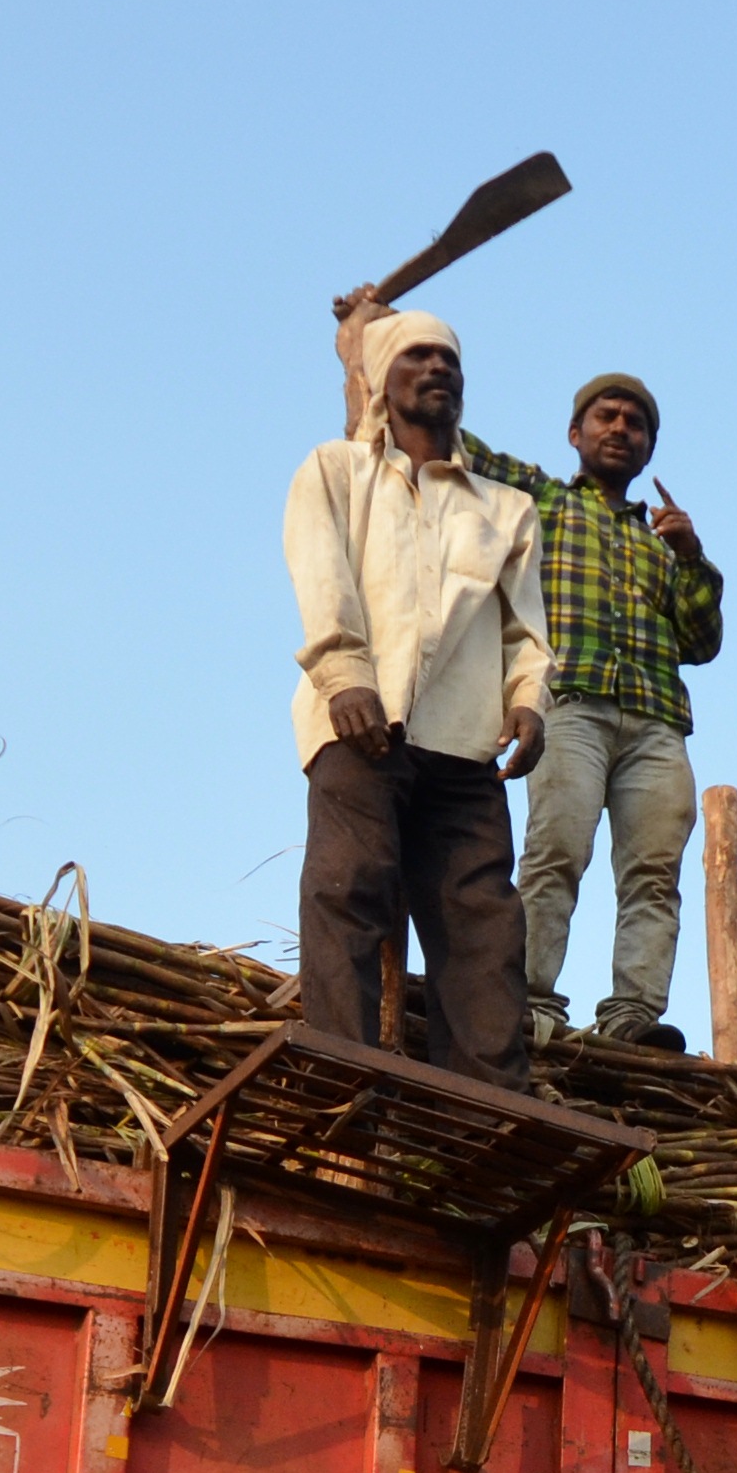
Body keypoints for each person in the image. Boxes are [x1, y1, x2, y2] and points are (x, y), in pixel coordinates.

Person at [333, 297, 728, 1046]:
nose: (620, 428)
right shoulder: (536, 497)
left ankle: (633, 1018)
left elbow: (703, 641)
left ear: (648, 449)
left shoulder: (662, 542)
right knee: (555, 853)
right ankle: (535, 1004)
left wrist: (692, 556)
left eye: (634, 423)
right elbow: (444, 433)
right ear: (575, 435)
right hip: (570, 704)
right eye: (605, 417)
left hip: (655, 724)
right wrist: (380, 339)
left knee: (653, 875)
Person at [280, 308, 546, 1089]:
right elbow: (323, 580)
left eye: (448, 361)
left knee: (484, 926)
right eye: (416, 358)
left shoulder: (506, 509)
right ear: (381, 385)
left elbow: (525, 633)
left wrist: (530, 702)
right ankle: (345, 1083)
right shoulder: (336, 471)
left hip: (465, 747)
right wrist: (345, 678)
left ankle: (493, 1103)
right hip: (360, 726)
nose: (437, 371)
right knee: (349, 892)